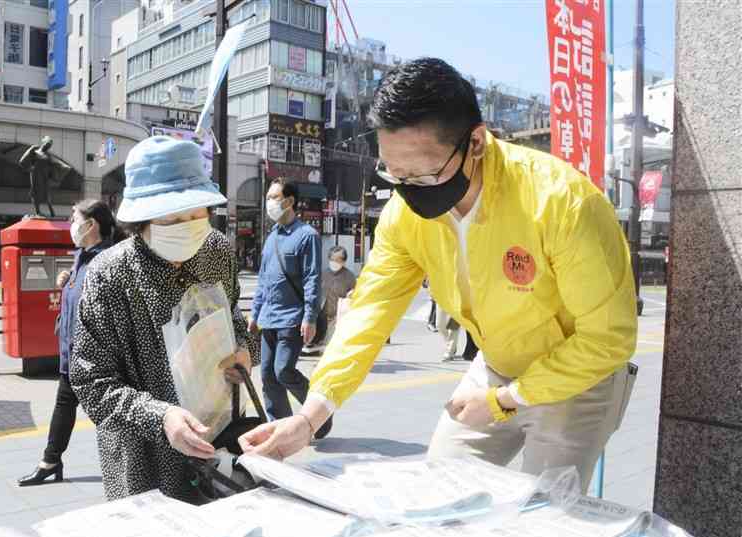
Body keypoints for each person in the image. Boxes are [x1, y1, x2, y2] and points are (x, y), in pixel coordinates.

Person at [240, 58, 638, 492]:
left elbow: (607, 338)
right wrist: (309, 417)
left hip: (576, 378)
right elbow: (370, 310)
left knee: (543, 513)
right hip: (497, 364)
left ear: (477, 142)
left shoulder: (562, 203)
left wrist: (504, 401)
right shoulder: (404, 215)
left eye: (426, 172)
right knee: (440, 489)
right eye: (396, 173)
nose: (411, 188)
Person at [69, 136, 259, 503]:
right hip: (146, 461)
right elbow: (91, 381)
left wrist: (244, 351)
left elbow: (235, 316)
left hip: (220, 435)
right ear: (142, 219)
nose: (189, 225)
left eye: (197, 212)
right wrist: (159, 417)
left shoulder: (216, 249)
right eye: (173, 217)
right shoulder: (110, 274)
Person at [18, 199, 115, 486]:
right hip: (71, 353)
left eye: (75, 218)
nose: (72, 225)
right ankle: (50, 460)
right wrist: (68, 281)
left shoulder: (105, 259)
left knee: (106, 411)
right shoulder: (82, 255)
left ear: (91, 224)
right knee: (64, 405)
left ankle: (138, 459)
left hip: (93, 357)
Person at [248, 179, 332, 438]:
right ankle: (281, 427)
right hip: (268, 318)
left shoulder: (307, 236)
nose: (270, 202)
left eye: (274, 197)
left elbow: (312, 279)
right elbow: (263, 279)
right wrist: (254, 312)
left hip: (292, 318)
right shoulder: (271, 237)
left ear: (290, 201)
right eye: (269, 197)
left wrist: (309, 317)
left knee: (283, 370)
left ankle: (319, 416)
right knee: (267, 375)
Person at [303, 246, 358, 355]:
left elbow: (354, 293)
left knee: (331, 345)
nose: (335, 263)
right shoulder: (322, 274)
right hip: (321, 315)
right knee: (318, 342)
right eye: (332, 260)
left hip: (337, 317)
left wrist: (351, 294)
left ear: (344, 261)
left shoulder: (349, 276)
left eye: (338, 260)